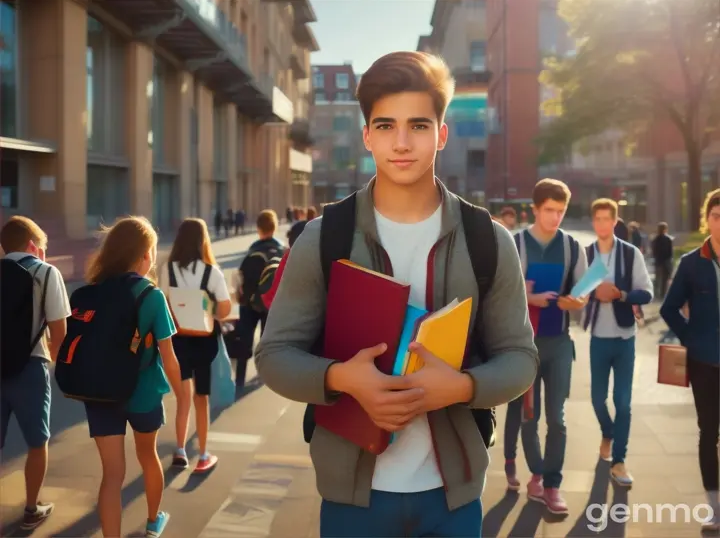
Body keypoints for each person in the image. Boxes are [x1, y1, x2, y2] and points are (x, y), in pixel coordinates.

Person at [255, 51, 538, 537]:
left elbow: (520, 358)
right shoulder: (323, 238)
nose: (402, 143)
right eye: (385, 126)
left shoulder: (488, 241)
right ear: (367, 136)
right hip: (352, 499)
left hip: (453, 498)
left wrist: (463, 387)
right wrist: (344, 379)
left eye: (419, 126)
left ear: (442, 134)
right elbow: (275, 355)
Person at [82, 216, 183, 538]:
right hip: (143, 393)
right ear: (144, 254)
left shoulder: (92, 291)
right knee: (148, 457)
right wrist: (182, 396)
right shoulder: (150, 296)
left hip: (98, 393)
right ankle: (154, 522)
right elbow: (168, 357)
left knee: (111, 475)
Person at [503, 178, 588, 514]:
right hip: (526, 344)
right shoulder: (515, 243)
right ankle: (536, 474)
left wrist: (577, 302)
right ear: (535, 209)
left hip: (559, 343)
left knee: (558, 418)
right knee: (529, 415)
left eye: (561, 211)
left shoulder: (572, 247)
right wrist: (530, 297)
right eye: (549, 210)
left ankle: (551, 484)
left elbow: (583, 292)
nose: (555, 217)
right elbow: (501, 295)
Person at [0, 216, 71, 530]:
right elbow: (60, 333)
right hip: (30, 367)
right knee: (37, 441)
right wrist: (54, 366)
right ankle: (31, 508)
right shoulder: (45, 272)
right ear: (33, 245)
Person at [661, 189, 720, 533]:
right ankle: (714, 506)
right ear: (706, 220)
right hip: (703, 362)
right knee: (708, 432)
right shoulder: (692, 263)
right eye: (715, 216)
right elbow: (669, 308)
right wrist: (691, 338)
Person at [583, 199, 653, 486]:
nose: (601, 224)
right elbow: (575, 291)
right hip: (598, 337)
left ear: (615, 222)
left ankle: (620, 461)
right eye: (597, 219)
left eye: (606, 219)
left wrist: (620, 295)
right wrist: (590, 293)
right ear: (593, 222)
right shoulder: (585, 254)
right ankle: (608, 433)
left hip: (625, 339)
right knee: (598, 400)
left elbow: (646, 293)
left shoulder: (630, 254)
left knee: (623, 402)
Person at [160, 218, 232, 473]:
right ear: (203, 241)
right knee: (202, 398)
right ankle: (202, 453)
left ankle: (180, 450)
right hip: (204, 341)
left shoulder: (168, 269)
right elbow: (224, 309)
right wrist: (208, 307)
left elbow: (164, 303)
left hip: (178, 339)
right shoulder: (211, 272)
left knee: (182, 398)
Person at [232, 209, 285, 392]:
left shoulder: (253, 249)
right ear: (274, 227)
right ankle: (264, 376)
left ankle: (239, 377)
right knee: (266, 339)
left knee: (244, 338)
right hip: (271, 302)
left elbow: (241, 276)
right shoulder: (282, 249)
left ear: (258, 228)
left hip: (250, 301)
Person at [652, 222, 674, 300]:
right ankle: (662, 294)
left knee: (658, 278)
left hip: (658, 261)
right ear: (665, 229)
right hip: (666, 261)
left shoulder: (655, 239)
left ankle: (656, 293)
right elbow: (670, 252)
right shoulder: (668, 239)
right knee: (665, 279)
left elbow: (654, 252)